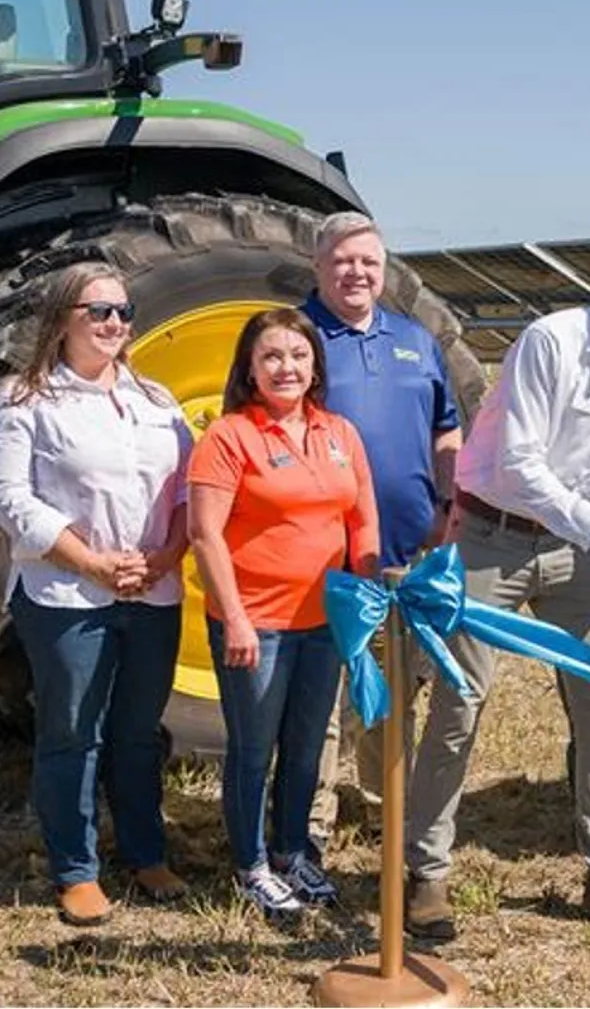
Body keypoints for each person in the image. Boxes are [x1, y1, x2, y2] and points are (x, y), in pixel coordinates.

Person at [402, 234, 590, 943]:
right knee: (458, 705)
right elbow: (521, 462)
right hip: (491, 538)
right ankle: (425, 871)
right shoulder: (551, 341)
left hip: (584, 553)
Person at [0, 263, 194, 926]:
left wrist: (165, 555)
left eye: (123, 313)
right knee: (73, 731)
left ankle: (145, 853)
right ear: (61, 319)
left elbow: (190, 490)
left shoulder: (158, 402)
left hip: (152, 590)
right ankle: (75, 868)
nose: (113, 324)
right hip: (65, 594)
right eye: (98, 311)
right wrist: (94, 564)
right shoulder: (24, 400)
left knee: (137, 731)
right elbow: (10, 499)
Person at [187, 308, 379, 919]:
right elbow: (205, 534)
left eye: (298, 355)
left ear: (315, 364)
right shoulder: (230, 437)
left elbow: (362, 519)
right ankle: (250, 866)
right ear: (249, 368)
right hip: (257, 626)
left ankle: (293, 853)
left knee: (304, 747)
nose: (286, 367)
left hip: (323, 623)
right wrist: (237, 618)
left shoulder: (339, 433)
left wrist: (366, 598)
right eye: (271, 356)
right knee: (253, 748)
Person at [302, 211, 463, 845]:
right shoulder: (297, 336)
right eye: (342, 260)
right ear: (318, 267)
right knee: (323, 697)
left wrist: (448, 501)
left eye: (368, 261)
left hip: (403, 553)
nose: (357, 272)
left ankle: (383, 804)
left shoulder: (413, 337)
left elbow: (446, 426)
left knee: (394, 688)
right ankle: (310, 818)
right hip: (323, 556)